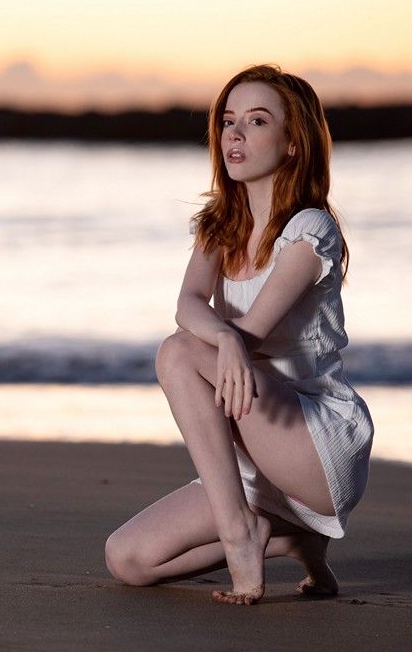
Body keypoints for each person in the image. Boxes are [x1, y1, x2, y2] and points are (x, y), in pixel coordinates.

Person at [103, 64, 375, 605]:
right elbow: (187, 304)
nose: (236, 134)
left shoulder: (310, 229)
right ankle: (291, 538)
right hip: (252, 455)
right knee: (127, 558)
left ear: (293, 143)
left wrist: (228, 338)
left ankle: (240, 536)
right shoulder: (219, 225)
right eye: (229, 121)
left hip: (313, 441)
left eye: (256, 121)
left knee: (178, 354)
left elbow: (250, 333)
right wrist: (225, 339)